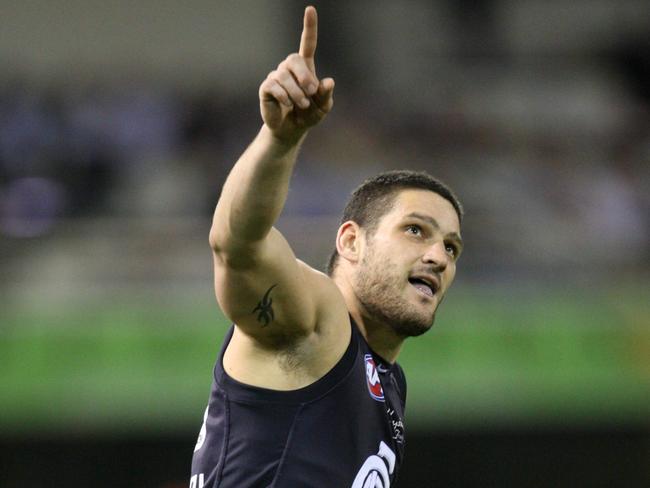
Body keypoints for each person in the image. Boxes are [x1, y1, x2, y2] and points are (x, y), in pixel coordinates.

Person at [189, 6, 464, 487]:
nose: (439, 256)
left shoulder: (387, 382)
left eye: (452, 247)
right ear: (352, 241)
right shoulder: (317, 320)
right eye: (415, 230)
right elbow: (238, 247)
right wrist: (279, 140)